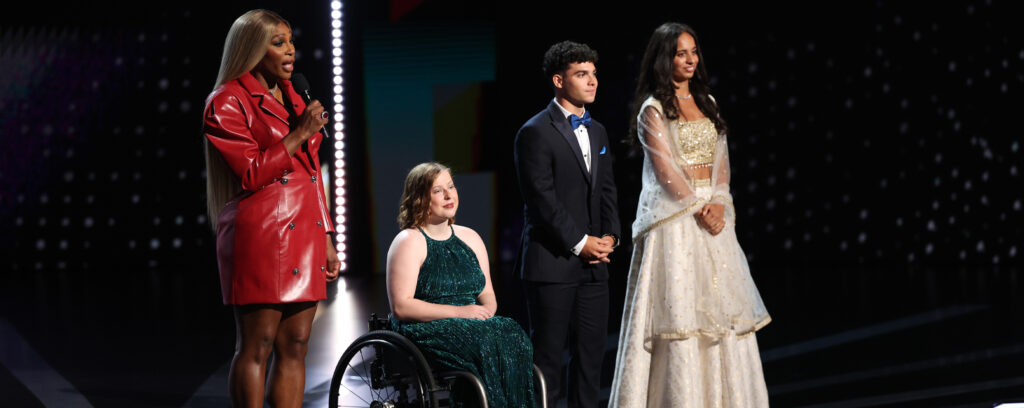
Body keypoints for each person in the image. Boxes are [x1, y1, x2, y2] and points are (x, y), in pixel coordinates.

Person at [608, 22, 772, 407]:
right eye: (681, 53)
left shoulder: (709, 103)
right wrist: (700, 209)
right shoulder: (652, 109)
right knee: (680, 316)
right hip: (676, 224)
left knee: (721, 313)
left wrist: (719, 202)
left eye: (694, 52)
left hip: (713, 219)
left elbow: (722, 164)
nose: (690, 60)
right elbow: (665, 172)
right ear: (665, 59)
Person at [202, 9, 340, 408]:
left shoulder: (295, 93)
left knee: (296, 344)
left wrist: (327, 235)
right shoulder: (226, 101)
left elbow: (313, 174)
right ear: (252, 49)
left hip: (306, 230)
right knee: (257, 344)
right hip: (262, 234)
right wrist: (300, 133)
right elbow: (250, 173)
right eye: (278, 43)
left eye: (291, 41)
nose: (290, 50)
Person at [513, 41, 621, 408]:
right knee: (547, 364)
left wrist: (609, 237)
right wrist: (581, 242)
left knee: (590, 363)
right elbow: (543, 201)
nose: (592, 81)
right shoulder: (535, 132)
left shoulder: (599, 131)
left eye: (593, 73)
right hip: (552, 264)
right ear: (559, 80)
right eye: (581, 74)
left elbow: (607, 191)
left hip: (595, 268)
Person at [386, 162, 535, 407]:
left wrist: (484, 315)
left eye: (451, 187)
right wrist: (461, 313)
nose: (448, 195)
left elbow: (487, 293)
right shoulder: (409, 241)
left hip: (470, 322)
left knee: (513, 334)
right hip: (425, 327)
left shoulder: (470, 237)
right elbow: (402, 307)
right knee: (484, 342)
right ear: (420, 198)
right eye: (437, 190)